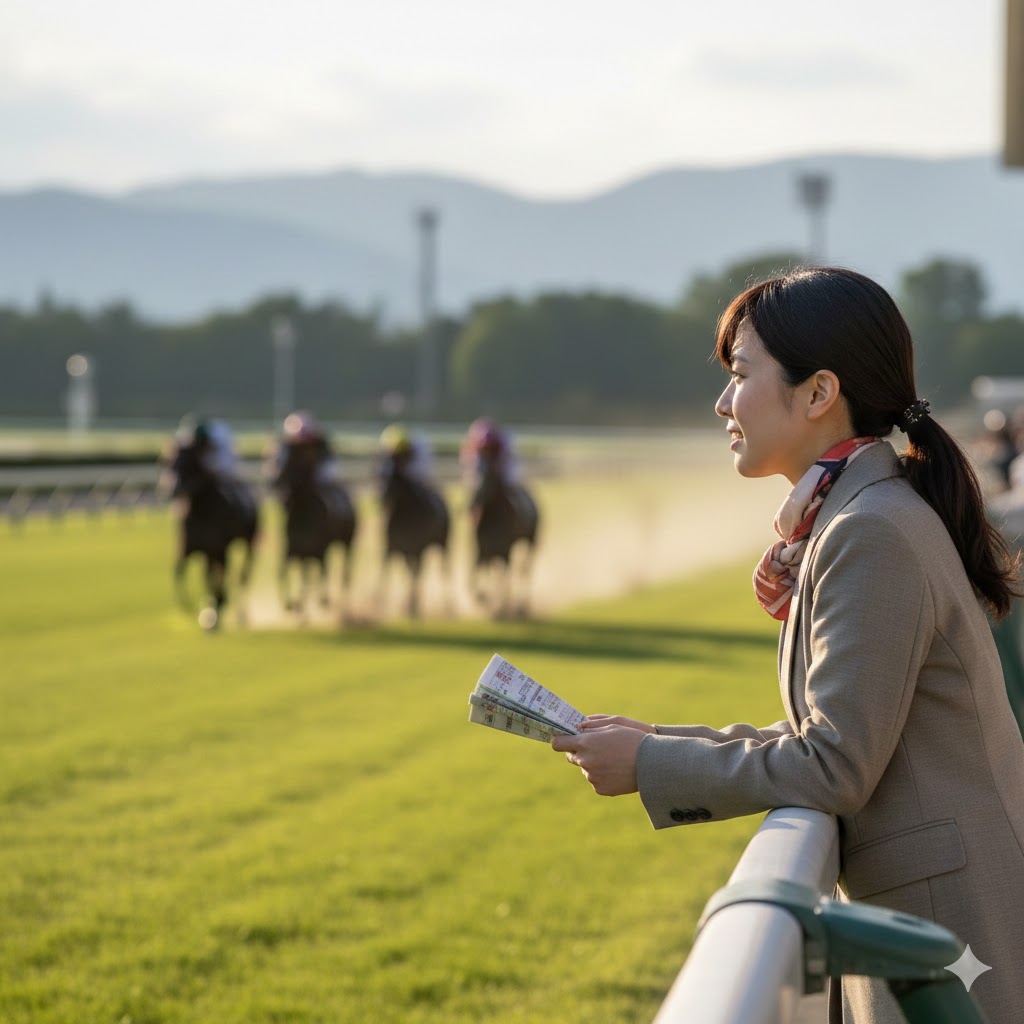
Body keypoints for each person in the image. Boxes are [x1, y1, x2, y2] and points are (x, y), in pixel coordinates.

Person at [551, 267, 1024, 1024]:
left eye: (739, 375)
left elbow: (835, 762)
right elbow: (842, 732)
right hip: (935, 914)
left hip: (952, 928)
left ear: (817, 394)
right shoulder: (862, 517)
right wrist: (660, 741)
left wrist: (649, 764)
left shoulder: (870, 530)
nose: (722, 403)